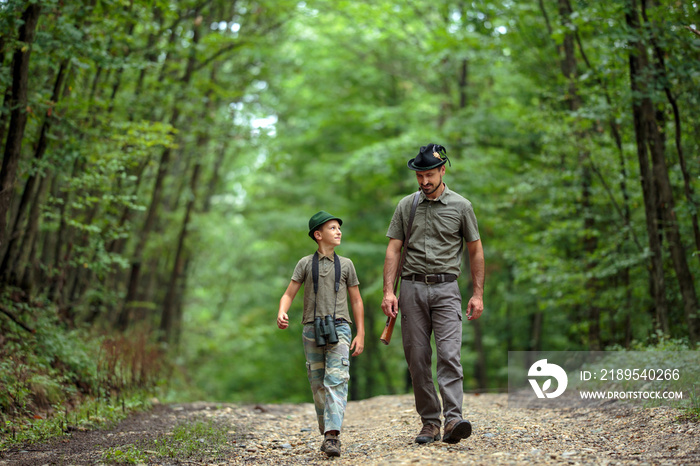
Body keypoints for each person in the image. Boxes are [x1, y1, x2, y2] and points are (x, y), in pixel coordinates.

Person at [381, 143, 485, 445]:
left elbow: (475, 250)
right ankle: (430, 422)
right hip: (411, 288)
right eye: (419, 176)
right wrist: (389, 291)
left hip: (447, 289)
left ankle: (454, 419)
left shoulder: (462, 206)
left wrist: (477, 294)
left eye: (429, 175)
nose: (424, 181)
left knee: (450, 354)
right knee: (417, 358)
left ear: (442, 170)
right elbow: (393, 249)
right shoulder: (406, 206)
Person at [277, 211, 365, 458]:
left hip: (340, 327)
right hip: (311, 328)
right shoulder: (305, 263)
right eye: (332, 228)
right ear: (318, 235)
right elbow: (288, 294)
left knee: (336, 379)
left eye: (339, 228)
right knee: (318, 385)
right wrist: (282, 312)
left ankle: (332, 436)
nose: (338, 231)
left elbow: (356, 301)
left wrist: (361, 333)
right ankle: (326, 431)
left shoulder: (346, 264)